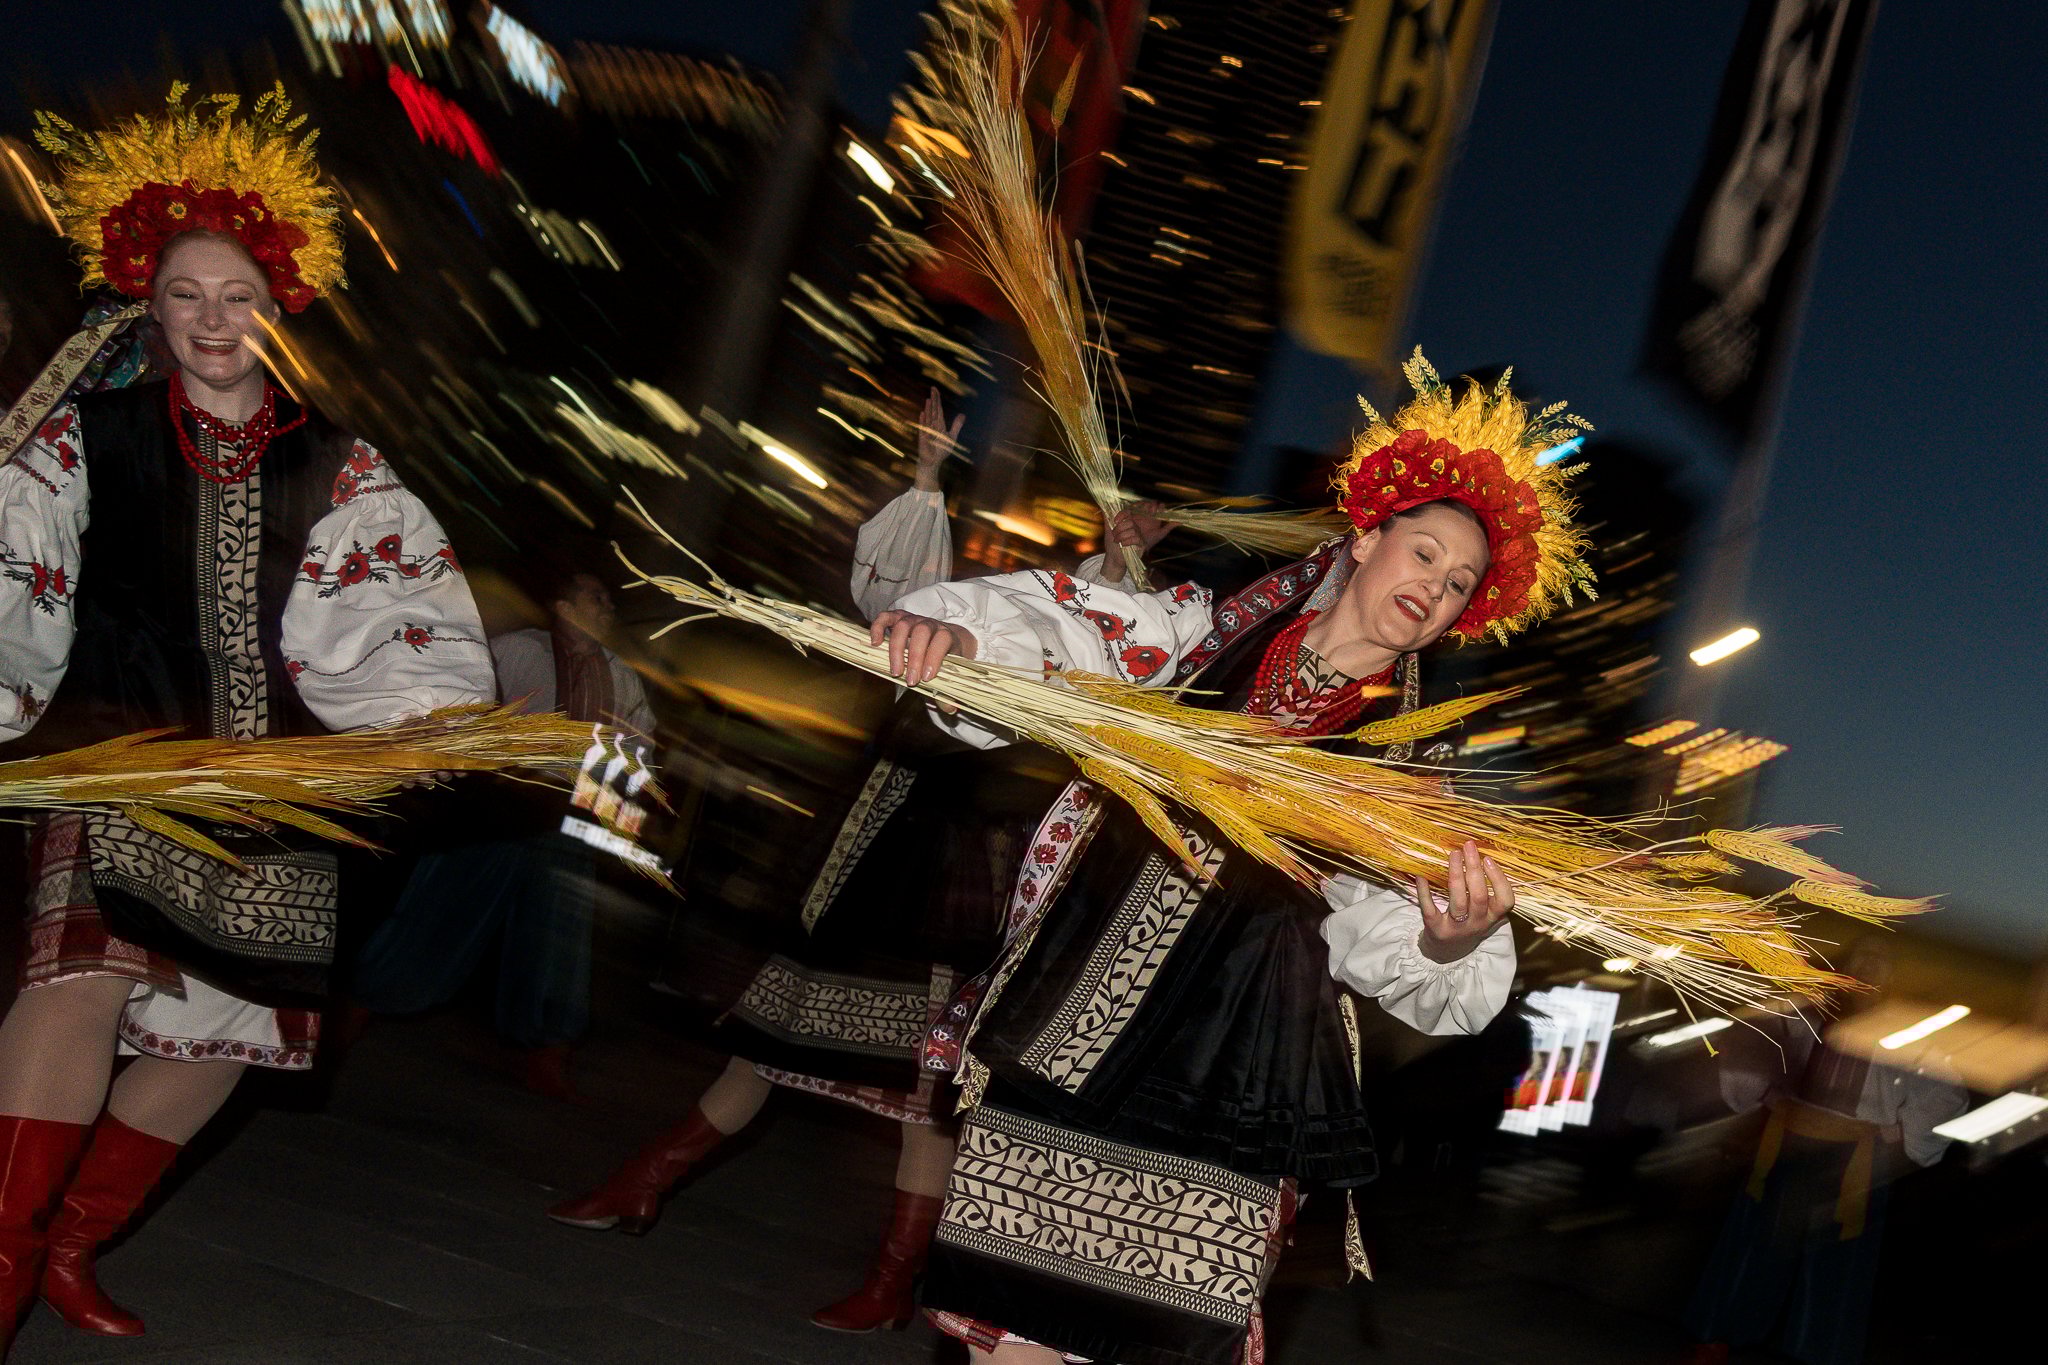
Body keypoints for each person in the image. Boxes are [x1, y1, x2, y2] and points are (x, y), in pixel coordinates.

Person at [865, 360, 1594, 1365]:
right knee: (1007, 1337)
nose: (1433, 585)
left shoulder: (1401, 770)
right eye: (1423, 552)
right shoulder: (1206, 635)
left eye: (1458, 583)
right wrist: (958, 631)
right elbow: (1067, 630)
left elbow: (1400, 942)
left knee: (1142, 1340)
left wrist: (1444, 941)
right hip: (1074, 1017)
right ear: (1366, 539)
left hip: (1225, 1068)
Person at [0, 87, 494, 1354]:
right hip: (118, 756)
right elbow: (18, 570)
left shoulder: (342, 463)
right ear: (148, 305)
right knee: (80, 987)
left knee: (231, 1030)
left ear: (277, 305)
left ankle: (72, 1246)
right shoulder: (81, 438)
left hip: (274, 785)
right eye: (186, 295)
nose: (214, 319)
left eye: (236, 295)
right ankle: (0, 1263)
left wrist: (417, 727)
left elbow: (395, 618)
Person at [545, 390, 1168, 1332]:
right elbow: (896, 596)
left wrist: (1123, 566)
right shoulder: (963, 609)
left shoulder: (1070, 638)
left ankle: (889, 1279)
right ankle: (643, 1180)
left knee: (923, 1090)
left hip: (956, 871)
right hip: (872, 847)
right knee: (772, 1037)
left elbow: (1109, 649)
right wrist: (924, 478)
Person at [346, 570, 656, 1101]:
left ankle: (545, 1053)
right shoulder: (519, 650)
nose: (608, 608)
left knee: (558, 937)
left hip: (570, 814)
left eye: (608, 600)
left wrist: (614, 802)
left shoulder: (620, 674)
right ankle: (354, 1009)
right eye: (596, 597)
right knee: (439, 911)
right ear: (563, 606)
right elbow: (468, 708)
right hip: (500, 806)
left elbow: (638, 745)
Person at [1684, 946, 1967, 1365]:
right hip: (1788, 1144)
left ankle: (1818, 1354)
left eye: (1876, 971)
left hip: (1856, 1157)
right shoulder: (1803, 1013)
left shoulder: (1909, 1035)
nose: (1864, 978)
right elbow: (1751, 1038)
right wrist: (1762, 1091)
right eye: (1857, 968)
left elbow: (1944, 1090)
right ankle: (1717, 1337)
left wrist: (1901, 1132)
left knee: (1838, 1259)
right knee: (1756, 1242)